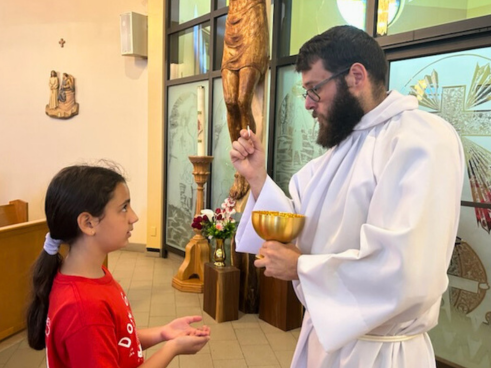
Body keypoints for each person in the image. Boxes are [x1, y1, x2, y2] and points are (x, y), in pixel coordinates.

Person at [230, 25, 464, 368]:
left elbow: (406, 268)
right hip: (325, 338)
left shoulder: (421, 139)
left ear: (356, 75)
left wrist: (301, 267)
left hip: (382, 353)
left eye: (315, 89)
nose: (309, 103)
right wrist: (257, 177)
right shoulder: (343, 148)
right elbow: (299, 217)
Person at [27, 164, 210, 367]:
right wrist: (172, 348)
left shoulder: (92, 275)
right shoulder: (84, 307)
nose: (134, 217)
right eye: (123, 208)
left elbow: (116, 341)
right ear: (88, 223)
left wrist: (162, 333)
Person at [221, 0, 269, 200]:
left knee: (242, 100)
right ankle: (239, 162)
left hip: (253, 23)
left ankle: (247, 162)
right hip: (233, 24)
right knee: (230, 101)